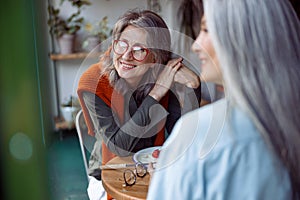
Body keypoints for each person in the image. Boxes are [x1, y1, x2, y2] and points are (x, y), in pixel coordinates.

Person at [147, 0, 300, 199]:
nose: (195, 45)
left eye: (207, 30)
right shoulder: (289, 123)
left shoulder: (198, 134)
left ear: (242, 37)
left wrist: (167, 176)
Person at [77, 9, 201, 175]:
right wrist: (156, 94)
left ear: (155, 58)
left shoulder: (162, 74)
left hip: (151, 167)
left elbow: (179, 134)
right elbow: (119, 146)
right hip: (108, 172)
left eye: (139, 49)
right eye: (121, 44)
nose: (126, 56)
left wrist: (194, 86)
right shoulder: (94, 81)